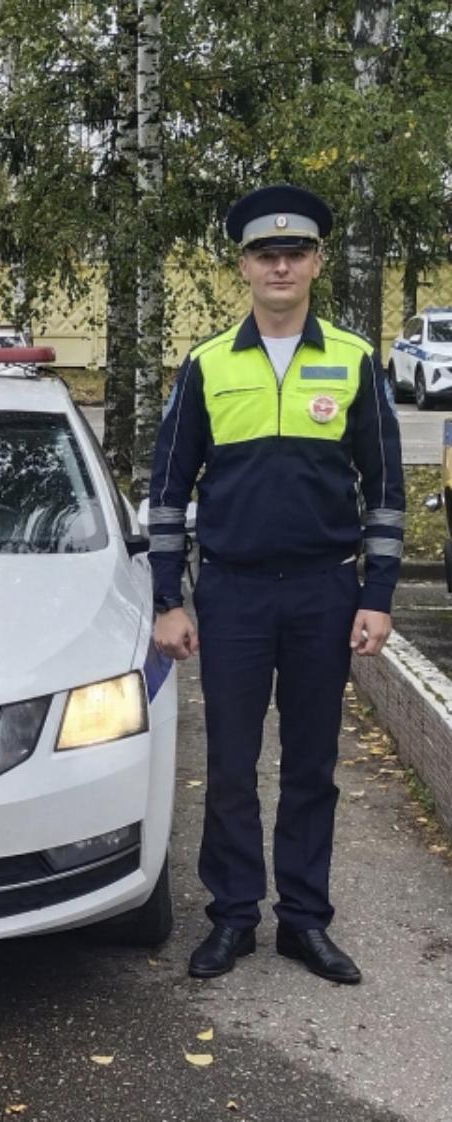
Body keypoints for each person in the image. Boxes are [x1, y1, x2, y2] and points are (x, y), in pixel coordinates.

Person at [148, 184, 403, 985]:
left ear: (318, 262)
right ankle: (232, 918)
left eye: (295, 252)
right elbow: (168, 489)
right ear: (245, 267)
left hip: (325, 593)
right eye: (266, 253)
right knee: (228, 765)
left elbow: (387, 491)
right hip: (232, 595)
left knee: (310, 766)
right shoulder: (208, 364)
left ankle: (304, 921)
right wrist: (167, 598)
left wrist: (378, 595)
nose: (281, 264)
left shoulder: (356, 359)